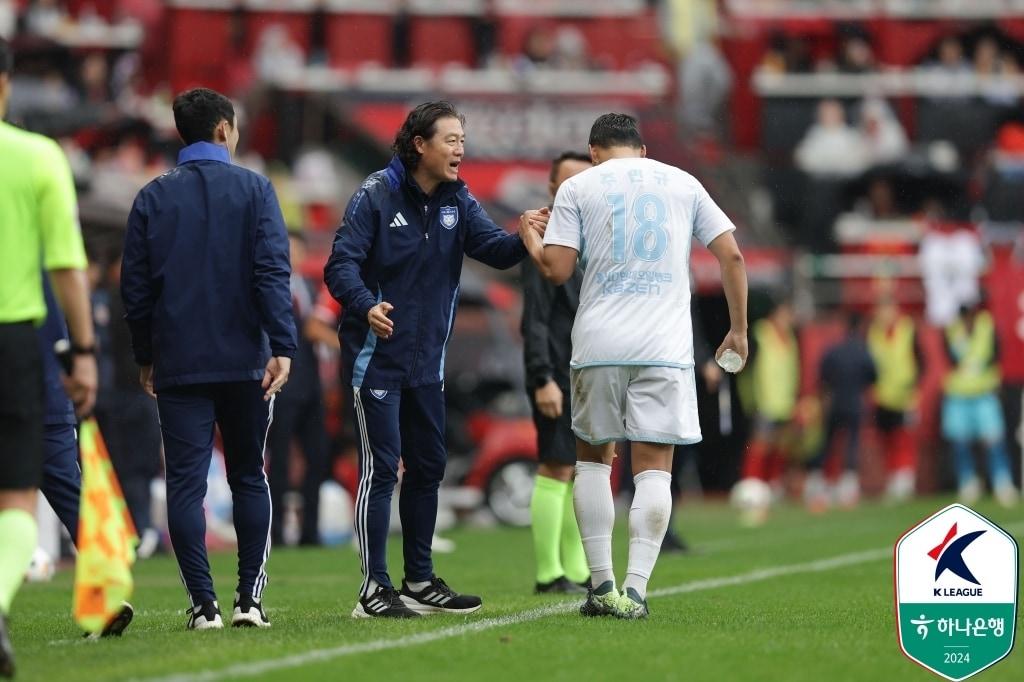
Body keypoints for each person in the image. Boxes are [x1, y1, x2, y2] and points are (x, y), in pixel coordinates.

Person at [520, 113, 748, 619]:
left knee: (592, 462)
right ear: (642, 151)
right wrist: (738, 329)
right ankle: (637, 590)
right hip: (665, 347)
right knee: (654, 469)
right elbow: (731, 257)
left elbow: (556, 271)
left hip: (599, 342)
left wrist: (529, 238)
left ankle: (601, 586)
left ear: (595, 151)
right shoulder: (683, 182)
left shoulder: (580, 185)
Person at [324, 101, 534, 618]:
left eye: (463, 139)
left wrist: (528, 237)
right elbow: (339, 265)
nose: (461, 149)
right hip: (375, 359)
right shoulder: (375, 195)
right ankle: (373, 589)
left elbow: (497, 251)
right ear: (420, 144)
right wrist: (366, 305)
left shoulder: (458, 200)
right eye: (451, 139)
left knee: (429, 466)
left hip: (426, 365)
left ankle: (418, 580)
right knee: (381, 468)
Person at [121, 87, 297, 630]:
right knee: (249, 476)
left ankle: (203, 606)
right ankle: (249, 601)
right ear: (224, 130)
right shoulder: (256, 189)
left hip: (178, 363)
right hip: (246, 359)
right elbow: (271, 274)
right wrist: (282, 344)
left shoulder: (151, 197)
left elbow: (135, 291)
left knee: (185, 485)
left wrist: (146, 357)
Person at [0, 36, 98, 676]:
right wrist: (83, 352)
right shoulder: (37, 158)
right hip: (16, 340)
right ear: (6, 86)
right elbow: (68, 266)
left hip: (24, 345)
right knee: (19, 498)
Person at [522, 151, 592, 595]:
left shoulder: (591, 242)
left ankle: (580, 569)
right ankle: (549, 572)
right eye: (567, 184)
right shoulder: (547, 243)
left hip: (587, 372)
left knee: (580, 468)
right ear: (551, 190)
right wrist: (541, 377)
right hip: (557, 374)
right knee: (556, 467)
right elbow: (535, 319)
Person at [267, 231, 329, 546]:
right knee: (278, 461)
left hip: (311, 388)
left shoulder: (309, 286)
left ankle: (310, 532)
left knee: (318, 458)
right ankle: (276, 532)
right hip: (281, 386)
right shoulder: (267, 287)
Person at [941, 300, 1018, 507]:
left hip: (984, 392)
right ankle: (968, 483)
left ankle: (1002, 482)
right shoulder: (952, 330)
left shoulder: (987, 327)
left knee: (994, 441)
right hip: (959, 394)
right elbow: (949, 359)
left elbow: (996, 355)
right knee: (960, 442)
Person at [732, 296, 799, 526]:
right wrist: (750, 400)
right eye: (787, 313)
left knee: (779, 447)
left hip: (784, 404)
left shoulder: (790, 337)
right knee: (760, 446)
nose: (790, 318)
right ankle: (751, 487)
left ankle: (772, 486)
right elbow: (747, 368)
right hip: (764, 403)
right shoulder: (760, 334)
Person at [803, 311, 877, 512]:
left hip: (833, 402)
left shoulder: (834, 350)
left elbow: (822, 375)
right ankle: (847, 486)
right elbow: (873, 376)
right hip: (854, 403)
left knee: (827, 443)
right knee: (851, 442)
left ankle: (816, 482)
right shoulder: (863, 351)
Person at [867, 291, 923, 502]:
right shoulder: (873, 333)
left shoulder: (907, 329)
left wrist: (913, 386)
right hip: (883, 396)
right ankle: (893, 477)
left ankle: (905, 478)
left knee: (904, 438)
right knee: (886, 439)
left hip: (905, 396)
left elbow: (920, 360)